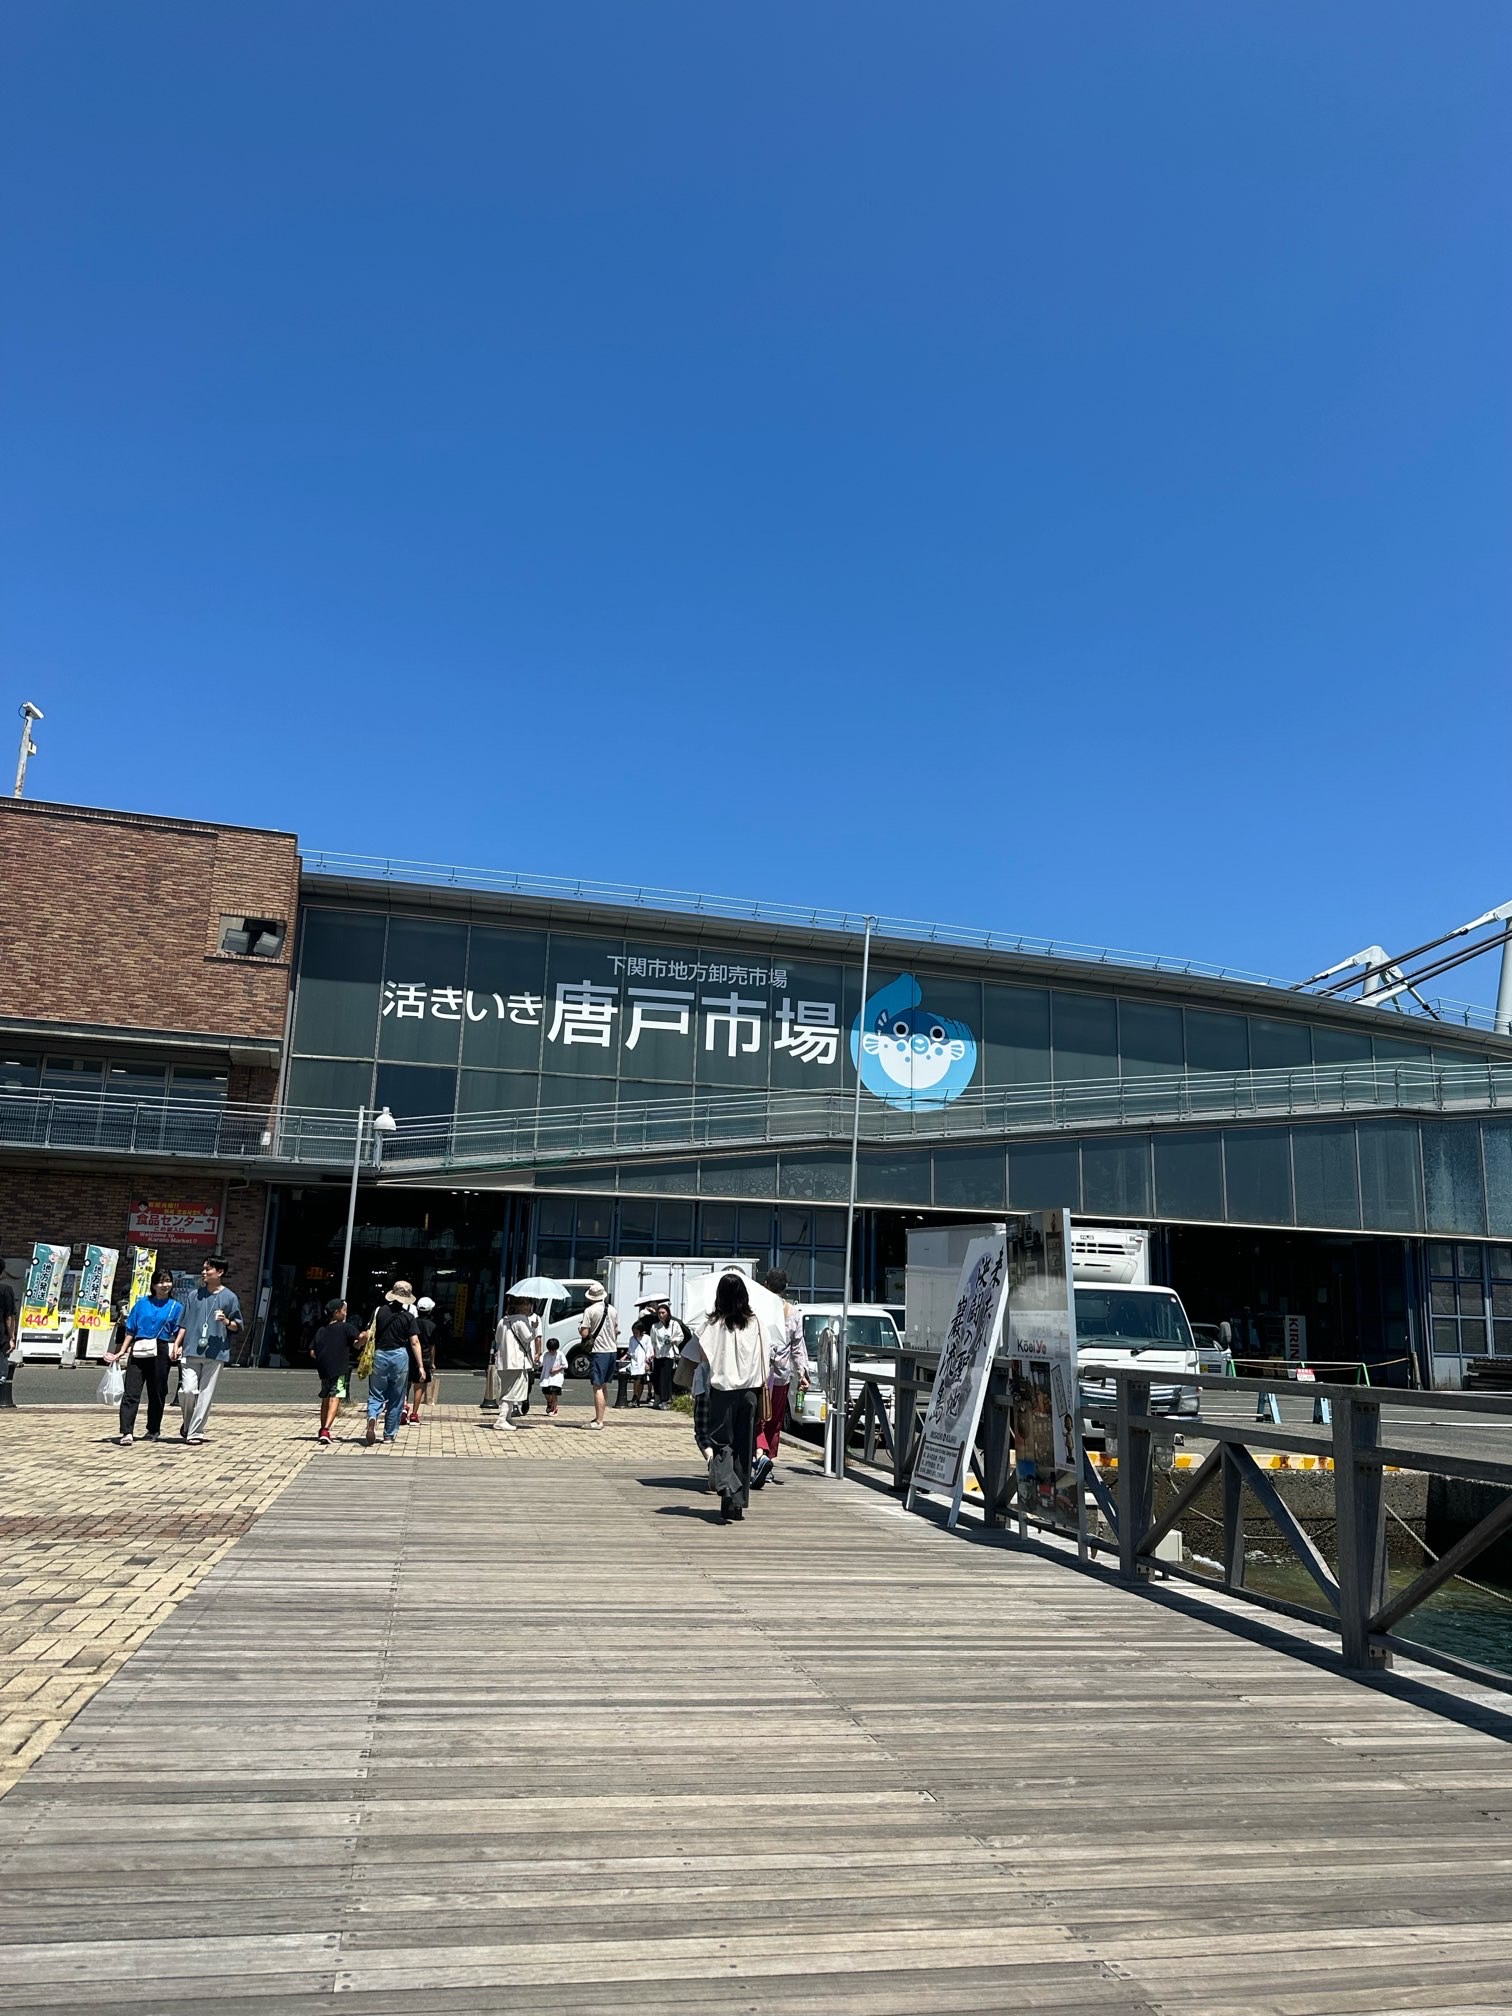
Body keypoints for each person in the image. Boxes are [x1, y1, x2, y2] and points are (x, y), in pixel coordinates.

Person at [685, 1271, 767, 1523]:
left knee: (722, 1443)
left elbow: (702, 1358)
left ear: (719, 1296)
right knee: (745, 1446)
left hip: (722, 1391)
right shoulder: (756, 1323)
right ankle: (737, 1504)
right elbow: (766, 1356)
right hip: (750, 1391)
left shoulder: (712, 1325)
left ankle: (727, 1486)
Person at [105, 1269, 185, 1446]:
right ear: (153, 1285)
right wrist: (121, 1351)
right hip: (139, 1348)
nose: (165, 1285)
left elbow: (180, 1329)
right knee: (131, 1391)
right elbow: (131, 1330)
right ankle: (127, 1431)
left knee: (157, 1392)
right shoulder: (142, 1303)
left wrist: (177, 1346)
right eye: (160, 1282)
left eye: (168, 1281)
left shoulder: (176, 1306)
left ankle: (153, 1429)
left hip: (161, 1349)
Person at [752, 1268, 811, 1490]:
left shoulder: (756, 1309)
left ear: (765, 1284)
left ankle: (759, 1456)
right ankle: (767, 1460)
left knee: (756, 1417)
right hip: (781, 1375)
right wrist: (802, 1373)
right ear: (785, 1287)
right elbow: (798, 1346)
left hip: (758, 1373)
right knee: (774, 1420)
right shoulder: (793, 1312)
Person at [176, 1255, 243, 1445]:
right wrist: (177, 1344)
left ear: (220, 1272)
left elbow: (237, 1326)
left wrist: (226, 1321)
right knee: (187, 1391)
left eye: (208, 1269)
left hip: (216, 1352)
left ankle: (195, 1432)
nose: (203, 1272)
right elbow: (184, 1323)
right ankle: (189, 1424)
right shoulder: (194, 1295)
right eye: (204, 1268)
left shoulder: (230, 1297)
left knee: (205, 1394)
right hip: (191, 1349)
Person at [367, 1282, 422, 1447]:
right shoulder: (408, 1317)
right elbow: (414, 1342)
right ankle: (389, 1435)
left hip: (380, 1354)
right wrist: (420, 1366)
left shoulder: (379, 1311)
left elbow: (370, 1333)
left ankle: (372, 1416)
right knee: (397, 1397)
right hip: (399, 1355)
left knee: (376, 1393)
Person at [313, 1295, 358, 1445]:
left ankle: (322, 1428)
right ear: (337, 1312)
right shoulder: (346, 1327)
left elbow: (312, 1351)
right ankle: (326, 1429)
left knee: (325, 1397)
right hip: (339, 1368)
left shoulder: (321, 1330)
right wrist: (366, 1336)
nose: (345, 1313)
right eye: (344, 1311)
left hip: (324, 1370)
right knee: (335, 1396)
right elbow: (358, 1341)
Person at [493, 1297, 539, 1431]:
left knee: (505, 1389)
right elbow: (528, 1337)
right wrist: (534, 1328)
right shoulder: (521, 1320)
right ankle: (501, 1419)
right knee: (512, 1391)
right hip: (517, 1361)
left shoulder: (503, 1320)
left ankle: (507, 1417)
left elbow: (497, 1338)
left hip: (503, 1361)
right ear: (523, 1306)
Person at [579, 1282, 620, 1429]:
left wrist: (580, 1328)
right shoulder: (612, 1309)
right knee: (604, 1385)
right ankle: (600, 1416)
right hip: (612, 1350)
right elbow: (616, 1330)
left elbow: (584, 1333)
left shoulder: (589, 1310)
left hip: (599, 1351)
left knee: (597, 1386)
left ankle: (598, 1421)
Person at [405, 1295, 437, 1425]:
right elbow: (432, 1346)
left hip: (409, 1355)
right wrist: (432, 1362)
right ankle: (414, 1415)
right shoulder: (432, 1326)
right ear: (430, 1310)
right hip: (425, 1357)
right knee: (419, 1386)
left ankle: (403, 1408)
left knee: (405, 1384)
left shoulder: (412, 1322)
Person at [538, 1336, 568, 1417]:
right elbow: (540, 1362)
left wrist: (557, 1369)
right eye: (550, 1350)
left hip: (556, 1378)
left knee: (554, 1393)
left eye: (553, 1350)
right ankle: (550, 1403)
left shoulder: (560, 1354)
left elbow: (565, 1365)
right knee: (546, 1392)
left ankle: (554, 1409)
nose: (551, 1352)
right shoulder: (546, 1354)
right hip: (546, 1377)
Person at [0, 1271, 17, 1409]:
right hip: (0, 1338)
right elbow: (9, 1317)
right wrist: (11, 1337)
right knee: (1, 1375)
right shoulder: (5, 1290)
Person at [627, 1317, 651, 1407]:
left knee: (641, 1380)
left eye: (636, 1332)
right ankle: (635, 1396)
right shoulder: (632, 1339)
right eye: (633, 1332)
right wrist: (629, 1355)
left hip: (643, 1362)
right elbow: (630, 1350)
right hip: (635, 1362)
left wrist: (647, 1362)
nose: (634, 1334)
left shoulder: (646, 1338)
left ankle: (637, 1398)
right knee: (636, 1379)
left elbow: (649, 1350)